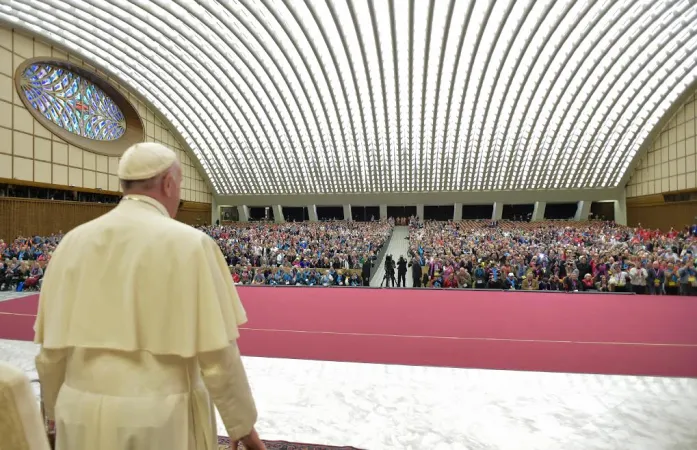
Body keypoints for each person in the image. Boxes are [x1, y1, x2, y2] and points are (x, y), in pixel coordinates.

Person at [33, 143, 265, 450]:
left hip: (79, 411)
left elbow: (52, 351)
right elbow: (217, 354)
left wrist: (52, 413)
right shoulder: (191, 244)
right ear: (169, 183)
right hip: (159, 417)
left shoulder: (72, 243)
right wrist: (242, 426)